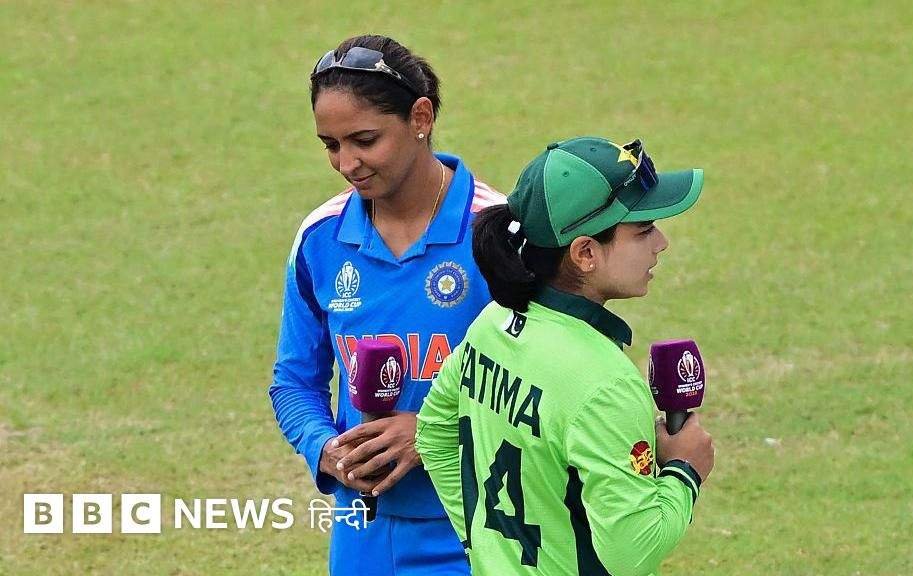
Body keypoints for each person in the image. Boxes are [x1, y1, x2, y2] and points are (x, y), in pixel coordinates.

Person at [416, 136, 716, 575]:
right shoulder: (605, 384)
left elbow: (433, 432)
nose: (662, 242)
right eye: (644, 229)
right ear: (585, 253)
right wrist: (685, 470)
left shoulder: (492, 323)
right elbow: (632, 552)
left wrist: (481, 544)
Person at [269, 34, 504, 576]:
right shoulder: (321, 238)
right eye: (330, 145)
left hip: (483, 527)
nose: (346, 163)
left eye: (365, 140)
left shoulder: (496, 233)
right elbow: (294, 382)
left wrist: (431, 430)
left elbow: (544, 389)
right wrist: (325, 449)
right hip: (363, 531)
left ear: (420, 117)